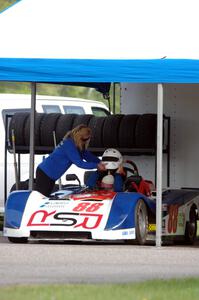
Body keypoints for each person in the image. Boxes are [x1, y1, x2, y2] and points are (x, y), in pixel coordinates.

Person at [35, 124, 106, 196]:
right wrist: (97, 165)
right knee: (41, 198)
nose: (86, 141)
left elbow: (88, 156)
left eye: (88, 139)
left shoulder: (77, 145)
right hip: (45, 173)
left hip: (50, 175)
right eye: (85, 139)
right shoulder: (69, 144)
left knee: (45, 196)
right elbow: (79, 163)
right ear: (79, 137)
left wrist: (101, 162)